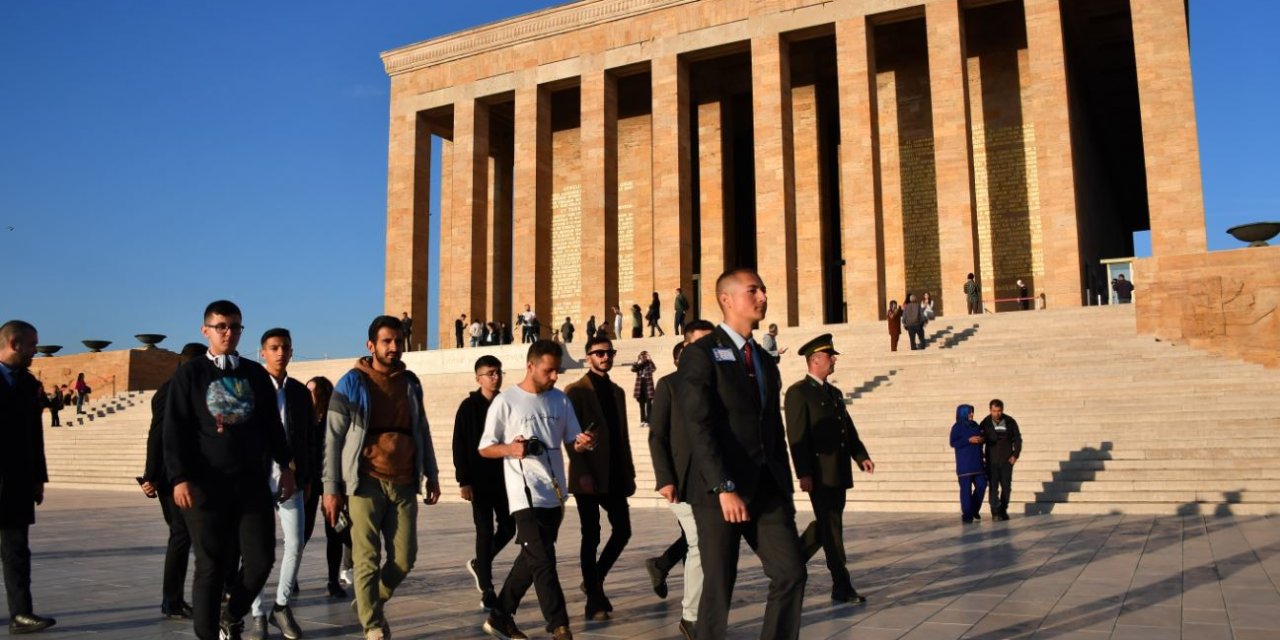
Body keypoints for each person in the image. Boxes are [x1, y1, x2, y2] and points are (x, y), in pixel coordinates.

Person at [676, 269, 806, 640]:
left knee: (791, 571)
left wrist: (784, 485)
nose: (763, 296)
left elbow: (771, 427)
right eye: (754, 290)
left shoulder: (764, 360)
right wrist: (723, 486)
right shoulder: (701, 355)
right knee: (718, 585)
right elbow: (698, 426)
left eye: (764, 289)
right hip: (720, 490)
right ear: (726, 299)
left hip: (765, 485)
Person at [163, 301, 296, 640]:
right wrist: (179, 478)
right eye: (221, 326)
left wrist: (288, 466)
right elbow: (174, 429)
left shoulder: (254, 375)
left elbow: (272, 427)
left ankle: (232, 612)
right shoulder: (190, 374)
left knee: (261, 560)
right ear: (205, 330)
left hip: (250, 486)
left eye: (235, 327)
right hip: (206, 487)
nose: (228, 332)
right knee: (211, 566)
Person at [322, 316, 441, 640]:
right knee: (367, 557)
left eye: (398, 341)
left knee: (405, 557)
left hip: (404, 481)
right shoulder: (352, 382)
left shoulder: (410, 382)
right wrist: (331, 489)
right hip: (365, 480)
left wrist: (431, 473)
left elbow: (423, 429)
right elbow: (333, 438)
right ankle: (372, 625)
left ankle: (368, 600)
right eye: (387, 341)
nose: (394, 347)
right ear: (370, 345)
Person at [478, 340, 596, 640]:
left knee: (531, 561)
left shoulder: (560, 400)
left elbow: (572, 440)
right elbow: (486, 448)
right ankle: (560, 626)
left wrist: (582, 444)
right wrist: (510, 448)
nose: (555, 376)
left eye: (557, 370)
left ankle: (500, 615)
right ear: (531, 366)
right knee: (544, 561)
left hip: (554, 494)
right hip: (524, 493)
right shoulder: (506, 401)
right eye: (549, 370)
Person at [785, 334, 873, 605]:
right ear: (815, 360)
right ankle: (841, 585)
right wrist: (804, 473)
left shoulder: (833, 392)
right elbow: (797, 436)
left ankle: (790, 562)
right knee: (832, 527)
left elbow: (847, 427)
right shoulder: (799, 392)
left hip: (838, 471)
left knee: (828, 524)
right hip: (820, 473)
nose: (834, 359)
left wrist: (860, 455)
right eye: (830, 355)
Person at [646, 320, 715, 639]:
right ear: (687, 347)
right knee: (699, 540)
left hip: (716, 481)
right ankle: (691, 616)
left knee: (711, 544)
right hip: (684, 482)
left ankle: (707, 609)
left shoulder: (720, 383)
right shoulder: (669, 384)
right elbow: (657, 434)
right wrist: (665, 478)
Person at [248, 329, 316, 640]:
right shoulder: (250, 388)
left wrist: (307, 476)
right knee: (256, 551)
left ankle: (281, 605)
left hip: (292, 480)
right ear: (262, 352)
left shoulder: (300, 392)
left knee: (295, 543)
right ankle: (258, 613)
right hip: (256, 481)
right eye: (274, 348)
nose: (280, 353)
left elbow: (309, 439)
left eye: (285, 347)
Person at [564, 335, 636, 621]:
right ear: (588, 357)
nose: (606, 357)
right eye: (599, 353)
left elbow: (623, 436)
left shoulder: (617, 391)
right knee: (590, 535)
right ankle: (594, 598)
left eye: (609, 352)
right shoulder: (576, 391)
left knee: (623, 530)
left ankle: (594, 580)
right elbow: (570, 437)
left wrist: (629, 473)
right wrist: (582, 473)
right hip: (587, 474)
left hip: (615, 473)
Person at [141, 342, 206, 620]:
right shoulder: (172, 390)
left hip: (183, 474)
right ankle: (172, 601)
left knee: (183, 535)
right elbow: (157, 434)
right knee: (181, 535)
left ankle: (176, 599)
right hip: (171, 477)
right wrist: (151, 475)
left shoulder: (186, 388)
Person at [0, 320, 56, 635]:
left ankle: (21, 614)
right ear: (15, 343)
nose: (36, 350)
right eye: (32, 345)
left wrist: (39, 478)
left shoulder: (27, 384)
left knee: (17, 550)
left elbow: (35, 436)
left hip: (17, 482)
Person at [453, 356, 515, 612]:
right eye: (490, 373)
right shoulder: (468, 407)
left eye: (498, 372)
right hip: (478, 480)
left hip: (504, 477)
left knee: (509, 527)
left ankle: (481, 563)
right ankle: (487, 588)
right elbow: (460, 444)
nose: (495, 377)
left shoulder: (508, 403)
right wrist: (463, 480)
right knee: (484, 530)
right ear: (478, 377)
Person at [302, 376, 351, 599]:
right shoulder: (304, 419)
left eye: (312, 391)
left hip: (331, 481)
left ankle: (333, 580)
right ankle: (291, 578)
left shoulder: (332, 420)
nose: (308, 395)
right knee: (303, 531)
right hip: (309, 481)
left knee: (335, 532)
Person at [980, 399, 1022, 521]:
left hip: (1006, 461)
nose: (997, 414)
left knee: (1006, 487)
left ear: (1002, 410)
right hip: (992, 461)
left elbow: (1018, 439)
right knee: (993, 487)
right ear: (990, 410)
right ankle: (995, 512)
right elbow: (980, 440)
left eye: (999, 411)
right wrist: (981, 455)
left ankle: (1003, 509)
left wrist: (1015, 455)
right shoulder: (985, 423)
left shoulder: (1010, 421)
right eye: (994, 411)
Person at [949, 404, 986, 524]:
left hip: (978, 463)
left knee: (982, 485)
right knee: (966, 491)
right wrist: (968, 440)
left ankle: (974, 509)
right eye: (969, 412)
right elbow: (953, 442)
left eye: (972, 412)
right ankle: (967, 514)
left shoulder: (975, 425)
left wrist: (982, 439)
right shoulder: (957, 427)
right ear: (963, 413)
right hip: (965, 465)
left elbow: (982, 436)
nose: (971, 414)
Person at [631, 351, 656, 427]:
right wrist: (639, 361)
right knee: (641, 405)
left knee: (649, 404)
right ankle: (642, 420)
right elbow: (633, 369)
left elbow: (653, 369)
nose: (644, 357)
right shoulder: (639, 364)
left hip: (648, 386)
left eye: (645, 356)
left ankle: (649, 420)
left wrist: (650, 359)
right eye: (642, 356)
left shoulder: (649, 363)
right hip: (640, 387)